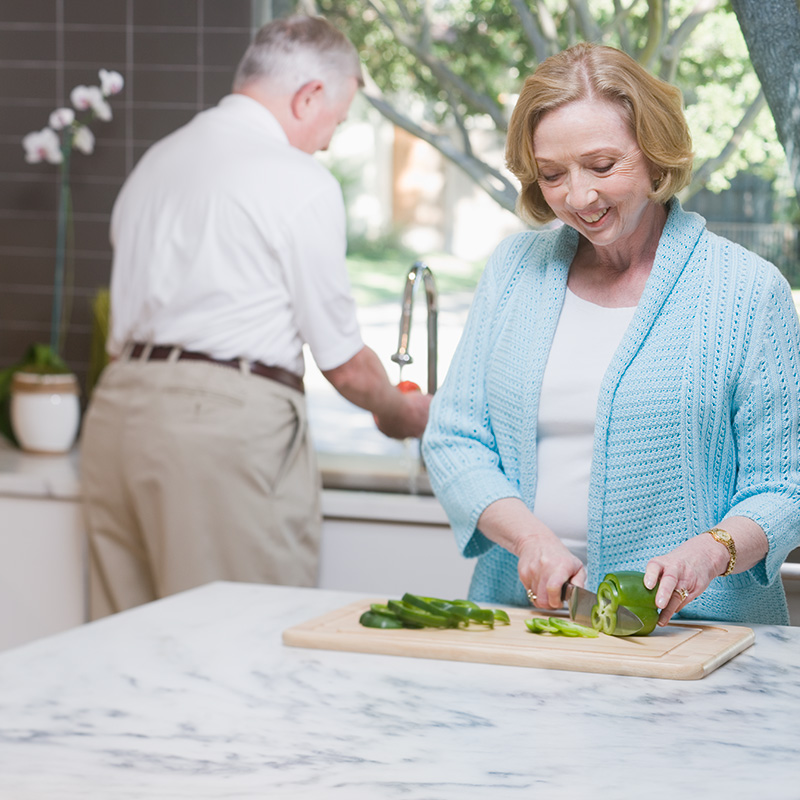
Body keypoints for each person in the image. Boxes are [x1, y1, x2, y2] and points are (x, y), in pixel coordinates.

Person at [422, 42, 800, 627]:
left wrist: (712, 552)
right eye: (552, 174)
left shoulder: (748, 291)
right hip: (526, 619)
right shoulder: (513, 270)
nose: (579, 197)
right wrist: (529, 541)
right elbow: (454, 440)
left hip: (701, 631)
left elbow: (785, 486)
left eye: (602, 166)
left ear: (654, 154)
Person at [81, 15, 431, 619]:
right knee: (239, 642)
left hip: (115, 418)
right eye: (337, 121)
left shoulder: (156, 165)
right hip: (217, 434)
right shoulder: (298, 179)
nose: (327, 141)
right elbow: (345, 368)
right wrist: (404, 413)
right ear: (309, 95)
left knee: (130, 652)